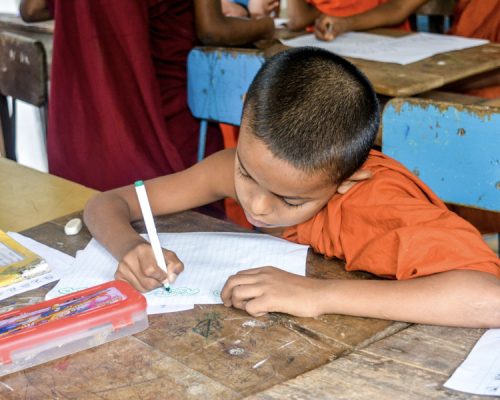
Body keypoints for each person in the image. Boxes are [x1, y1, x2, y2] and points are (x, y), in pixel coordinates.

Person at [84, 48, 500, 327]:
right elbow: (106, 203)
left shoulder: (374, 202)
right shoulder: (233, 165)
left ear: (346, 181)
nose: (258, 206)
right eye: (247, 175)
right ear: (245, 111)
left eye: (290, 199)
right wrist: (130, 249)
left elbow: (490, 299)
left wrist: (318, 295)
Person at [19, 0, 275, 191]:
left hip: (83, 133)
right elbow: (213, 30)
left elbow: (30, 9)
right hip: (163, 123)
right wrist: (266, 25)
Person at [287, 0, 427, 39]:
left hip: (390, 45)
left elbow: (399, 7)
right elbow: (298, 20)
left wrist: (346, 23)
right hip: (335, 46)